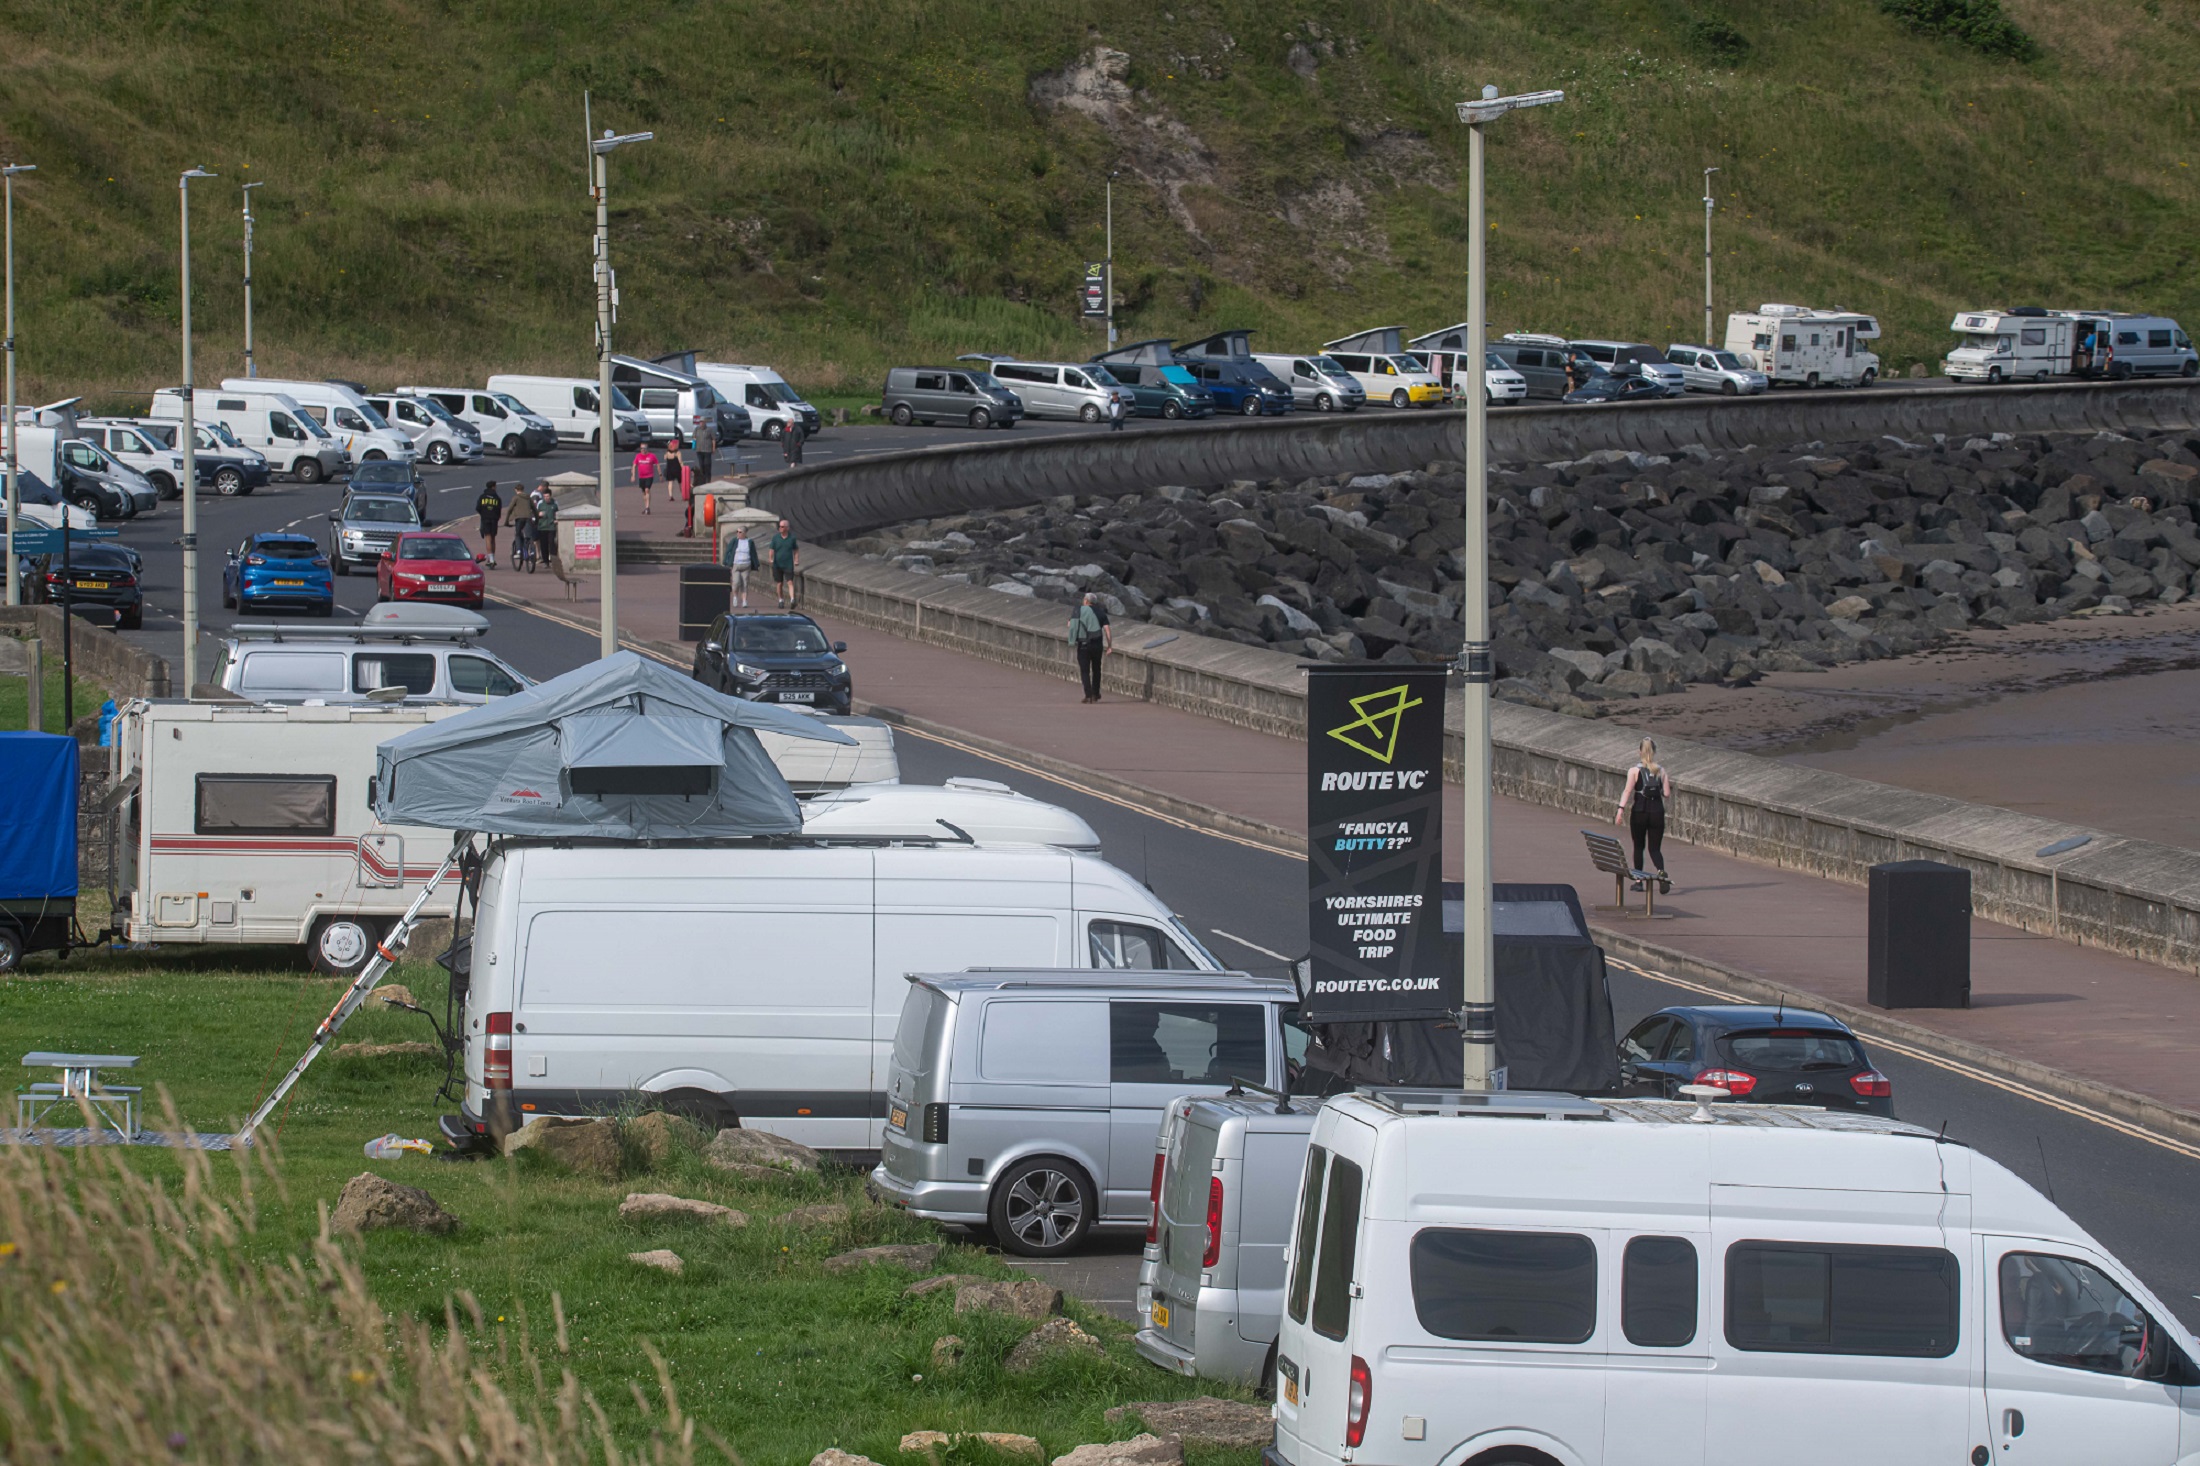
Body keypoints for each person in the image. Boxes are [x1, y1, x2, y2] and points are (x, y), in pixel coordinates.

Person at [1615, 737, 1672, 894]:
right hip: (1657, 812)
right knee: (1655, 848)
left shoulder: (1634, 771)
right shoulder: (1661, 771)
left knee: (1638, 846)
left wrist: (1620, 809)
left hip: (1639, 811)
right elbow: (1667, 793)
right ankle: (1660, 871)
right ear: (1654, 752)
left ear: (1639, 752)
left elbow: (1627, 791)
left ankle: (1638, 881)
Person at [1069, 592, 1112, 703]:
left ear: (1086, 601)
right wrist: (1109, 646)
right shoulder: (1101, 613)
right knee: (1096, 669)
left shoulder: (1079, 611)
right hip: (1097, 645)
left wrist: (1072, 639)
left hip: (1083, 644)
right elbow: (1107, 630)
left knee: (1085, 671)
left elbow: (1070, 625)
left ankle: (1088, 695)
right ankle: (1095, 694)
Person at [767, 517, 800, 610]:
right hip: (777, 564)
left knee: (790, 582)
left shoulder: (792, 538)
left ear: (787, 528)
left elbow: (796, 549)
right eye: (779, 526)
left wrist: (796, 559)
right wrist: (770, 558)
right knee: (779, 583)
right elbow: (771, 549)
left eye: (782, 527)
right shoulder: (776, 538)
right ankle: (781, 600)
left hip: (788, 564)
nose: (780, 528)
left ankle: (792, 599)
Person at [503, 480, 537, 569]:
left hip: (519, 518)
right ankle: (532, 551)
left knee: (518, 534)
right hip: (528, 518)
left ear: (515, 490)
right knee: (529, 536)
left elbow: (509, 509)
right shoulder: (528, 497)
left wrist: (506, 521)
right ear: (523, 489)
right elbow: (534, 509)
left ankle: (518, 551)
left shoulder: (516, 498)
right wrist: (537, 518)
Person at [722, 524, 757, 609]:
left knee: (744, 583)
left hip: (746, 565)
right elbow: (728, 551)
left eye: (740, 532)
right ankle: (735, 597)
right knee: (736, 582)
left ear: (744, 533)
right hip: (736, 565)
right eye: (737, 532)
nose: (738, 533)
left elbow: (753, 553)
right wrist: (726, 562)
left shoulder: (749, 542)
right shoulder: (734, 541)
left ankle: (744, 600)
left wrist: (755, 564)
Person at [475, 480, 503, 568]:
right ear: (493, 487)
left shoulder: (482, 497)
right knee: (493, 538)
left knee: (487, 538)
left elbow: (478, 508)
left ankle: (490, 559)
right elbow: (499, 509)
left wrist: (483, 513)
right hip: (494, 519)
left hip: (485, 519)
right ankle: (492, 558)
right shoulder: (497, 497)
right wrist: (496, 516)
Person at [535, 484, 561, 569]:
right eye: (545, 496)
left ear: (550, 496)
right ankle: (546, 561)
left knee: (552, 544)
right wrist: (538, 514)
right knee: (544, 545)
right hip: (542, 527)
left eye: (548, 496)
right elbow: (535, 513)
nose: (546, 498)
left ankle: (553, 561)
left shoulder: (555, 503)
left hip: (551, 527)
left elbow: (559, 513)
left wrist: (557, 520)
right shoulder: (540, 503)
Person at [633, 442, 659, 514]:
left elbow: (657, 464)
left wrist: (660, 474)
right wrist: (633, 475)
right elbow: (634, 465)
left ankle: (647, 507)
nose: (643, 450)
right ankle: (646, 507)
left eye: (644, 448)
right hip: (641, 477)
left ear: (647, 449)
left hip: (649, 476)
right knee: (644, 492)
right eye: (641, 448)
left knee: (647, 490)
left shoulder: (651, 456)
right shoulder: (638, 456)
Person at [678, 452, 697, 538]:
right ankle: (687, 527)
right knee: (688, 513)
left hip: (695, 503)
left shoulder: (698, 480)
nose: (692, 474)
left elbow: (696, 489)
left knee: (689, 513)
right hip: (693, 502)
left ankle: (688, 528)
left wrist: (690, 487)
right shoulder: (696, 479)